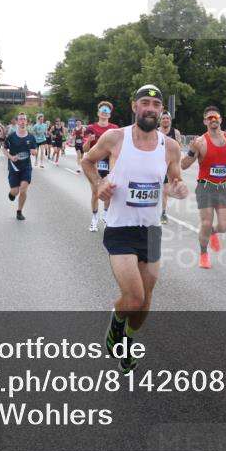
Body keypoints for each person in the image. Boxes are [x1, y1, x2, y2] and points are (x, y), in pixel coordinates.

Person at [81, 85, 188, 373]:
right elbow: (88, 161)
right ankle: (116, 322)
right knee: (134, 296)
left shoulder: (171, 147)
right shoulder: (116, 138)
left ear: (161, 111)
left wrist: (178, 187)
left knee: (146, 299)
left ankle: (127, 342)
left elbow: (175, 178)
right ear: (134, 106)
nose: (151, 108)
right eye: (145, 103)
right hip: (120, 228)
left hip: (151, 231)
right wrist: (99, 184)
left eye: (156, 104)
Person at [181, 105, 226, 269]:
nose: (213, 120)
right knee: (206, 222)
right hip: (206, 187)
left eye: (216, 117)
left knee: (225, 226)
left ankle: (213, 232)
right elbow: (183, 166)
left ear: (221, 120)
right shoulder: (200, 142)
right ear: (205, 121)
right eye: (210, 118)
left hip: (225, 188)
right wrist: (191, 152)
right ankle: (204, 254)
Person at [85, 102, 119, 232]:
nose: (104, 112)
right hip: (94, 164)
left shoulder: (115, 129)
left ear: (110, 114)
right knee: (95, 192)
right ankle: (94, 219)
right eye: (102, 110)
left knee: (108, 193)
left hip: (110, 164)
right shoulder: (90, 128)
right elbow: (85, 149)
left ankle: (105, 215)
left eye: (107, 110)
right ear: (98, 113)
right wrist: (89, 140)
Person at [5, 113, 39, 221]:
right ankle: (11, 193)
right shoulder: (11, 137)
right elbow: (4, 149)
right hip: (14, 168)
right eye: (20, 119)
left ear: (27, 121)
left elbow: (35, 150)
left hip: (26, 167)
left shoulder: (31, 137)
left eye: (24, 119)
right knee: (15, 191)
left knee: (23, 190)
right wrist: (11, 157)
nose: (22, 121)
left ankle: (19, 211)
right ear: (17, 121)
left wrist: (34, 152)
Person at [159, 111, 182, 224]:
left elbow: (179, 148)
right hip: (157, 163)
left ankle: (163, 212)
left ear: (170, 120)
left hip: (169, 165)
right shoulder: (156, 132)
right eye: (163, 118)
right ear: (160, 120)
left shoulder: (175, 132)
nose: (165, 120)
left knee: (165, 189)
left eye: (167, 118)